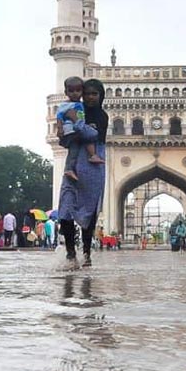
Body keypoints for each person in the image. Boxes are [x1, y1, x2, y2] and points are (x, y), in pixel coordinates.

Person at [57, 78, 108, 265]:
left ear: (101, 96)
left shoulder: (101, 116)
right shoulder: (74, 109)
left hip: (93, 168)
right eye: (86, 94)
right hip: (72, 168)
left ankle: (86, 253)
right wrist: (63, 131)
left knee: (89, 213)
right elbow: (65, 140)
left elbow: (93, 135)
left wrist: (76, 121)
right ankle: (71, 253)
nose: (90, 97)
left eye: (94, 94)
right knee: (65, 211)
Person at [57, 76, 104, 182]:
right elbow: (59, 116)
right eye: (71, 91)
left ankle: (72, 167)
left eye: (78, 90)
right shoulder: (66, 105)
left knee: (76, 148)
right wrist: (59, 128)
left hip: (77, 130)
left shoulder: (81, 105)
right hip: (71, 130)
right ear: (66, 92)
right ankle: (90, 157)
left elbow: (80, 118)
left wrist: (85, 125)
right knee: (89, 136)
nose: (75, 93)